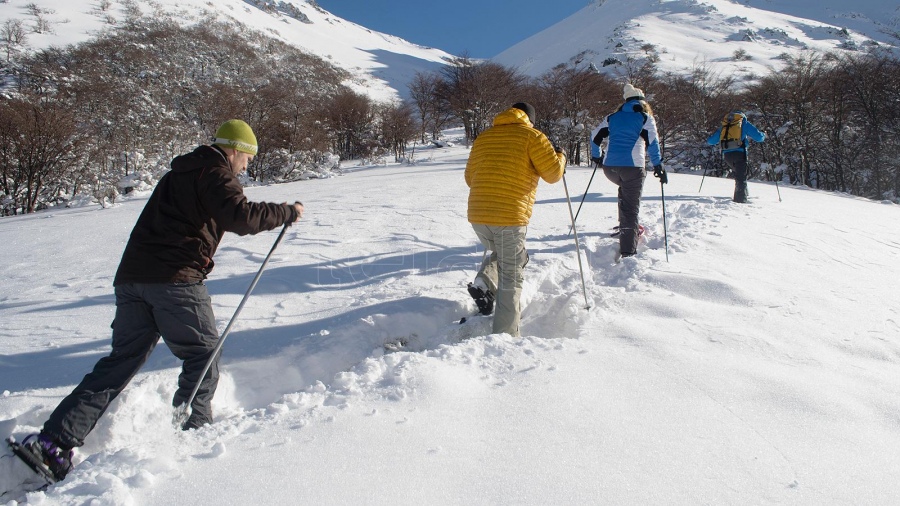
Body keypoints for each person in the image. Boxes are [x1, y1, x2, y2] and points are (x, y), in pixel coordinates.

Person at [24, 119, 304, 482]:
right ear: (234, 150)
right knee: (203, 353)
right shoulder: (215, 174)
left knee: (121, 361)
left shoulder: (178, 173)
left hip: (131, 279)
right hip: (174, 280)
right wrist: (287, 212)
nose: (247, 165)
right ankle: (192, 435)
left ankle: (51, 443)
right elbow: (241, 217)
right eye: (247, 157)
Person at [464, 102, 566, 337]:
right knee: (511, 275)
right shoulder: (532, 136)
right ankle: (504, 335)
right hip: (509, 216)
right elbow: (553, 174)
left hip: (478, 216)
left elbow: (470, 178)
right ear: (529, 119)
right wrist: (561, 155)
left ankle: (485, 282)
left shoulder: (484, 137)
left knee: (510, 255)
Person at [592, 83, 665, 258]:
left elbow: (594, 137)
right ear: (642, 102)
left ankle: (626, 227)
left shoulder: (612, 117)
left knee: (624, 194)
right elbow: (653, 143)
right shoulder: (645, 117)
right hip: (632, 167)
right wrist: (658, 165)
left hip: (609, 168)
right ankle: (628, 250)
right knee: (631, 209)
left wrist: (597, 156)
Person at [706, 111, 766, 203]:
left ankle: (743, 194)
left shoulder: (725, 125)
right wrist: (764, 135)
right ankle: (740, 201)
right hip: (740, 153)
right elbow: (758, 137)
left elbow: (711, 141)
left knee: (740, 175)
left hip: (727, 155)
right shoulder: (743, 123)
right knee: (741, 177)